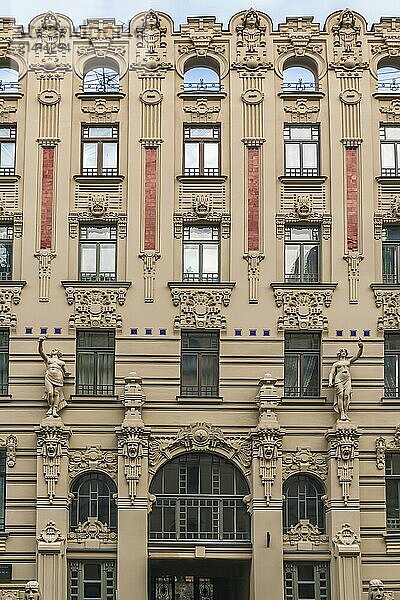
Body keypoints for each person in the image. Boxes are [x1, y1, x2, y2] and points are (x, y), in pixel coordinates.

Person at [328, 339, 363, 421]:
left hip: (347, 380)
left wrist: (361, 347)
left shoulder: (348, 361)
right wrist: (330, 381)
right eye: (342, 351)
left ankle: (346, 413)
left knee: (347, 396)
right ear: (339, 353)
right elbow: (332, 373)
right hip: (339, 379)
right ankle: (342, 413)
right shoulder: (336, 364)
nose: (343, 352)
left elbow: (357, 356)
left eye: (344, 351)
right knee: (340, 396)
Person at [38, 336, 69, 418]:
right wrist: (40, 342)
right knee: (50, 393)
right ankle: (51, 407)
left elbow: (66, 371)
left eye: (56, 349)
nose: (54, 350)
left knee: (56, 393)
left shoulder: (61, 362)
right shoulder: (48, 359)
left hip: (58, 377)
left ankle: (54, 409)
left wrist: (67, 373)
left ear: (58, 353)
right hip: (49, 376)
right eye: (53, 350)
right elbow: (41, 352)